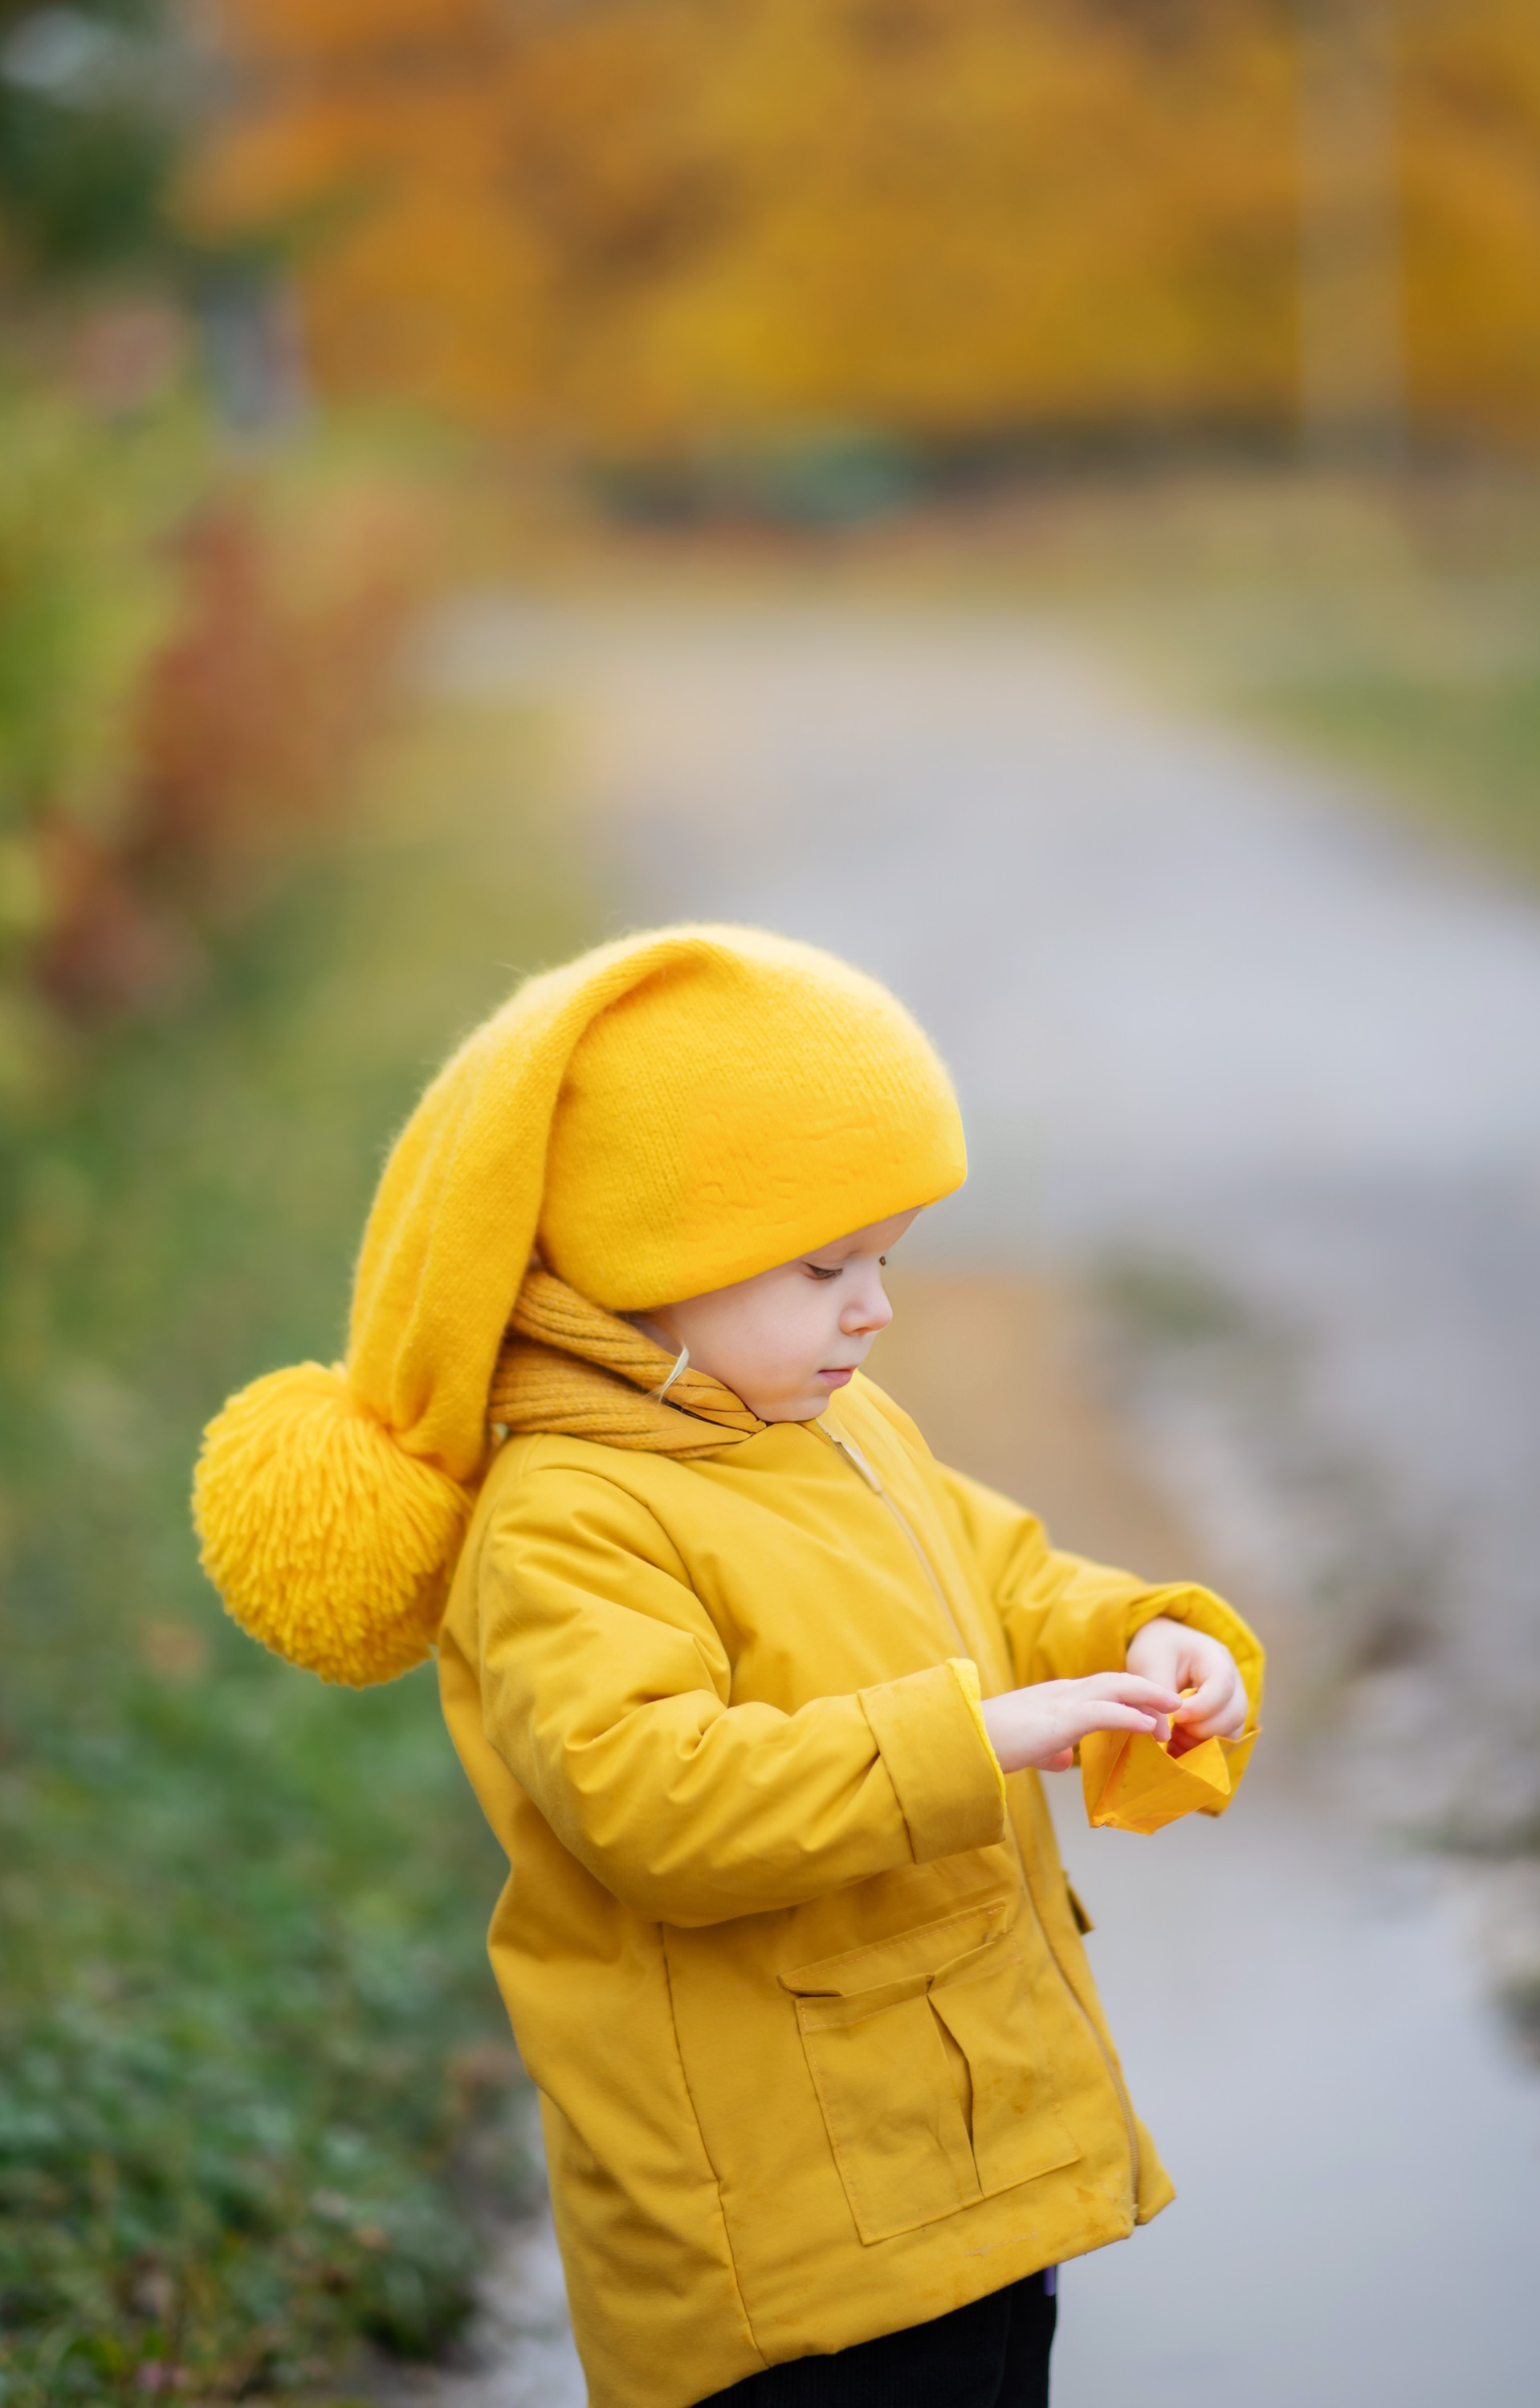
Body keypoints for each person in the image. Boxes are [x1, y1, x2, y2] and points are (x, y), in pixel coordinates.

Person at [194, 925, 1263, 2408]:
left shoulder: (829, 1419)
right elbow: (652, 1800)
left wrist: (1141, 1636)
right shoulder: (574, 1517)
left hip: (964, 2161)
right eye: (826, 1265)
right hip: (793, 2241)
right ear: (648, 1262)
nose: (875, 1308)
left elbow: (1001, 1575)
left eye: (887, 1258)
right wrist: (980, 1738)